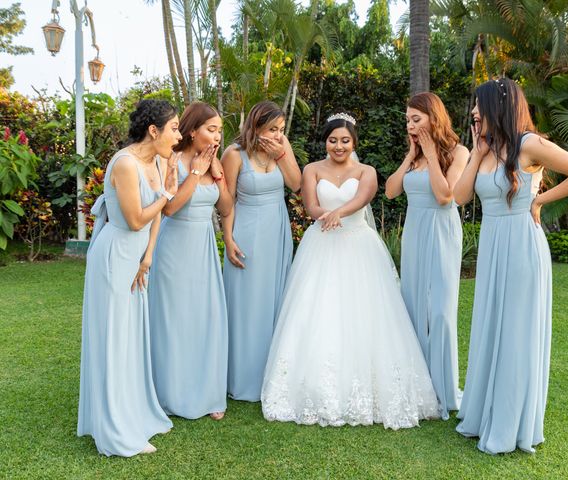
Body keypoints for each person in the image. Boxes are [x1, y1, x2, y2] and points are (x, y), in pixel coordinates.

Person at [261, 113, 441, 429]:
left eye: (345, 140)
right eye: (333, 140)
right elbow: (310, 204)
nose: (339, 146)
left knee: (366, 313)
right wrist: (325, 215)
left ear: (354, 142)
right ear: (326, 142)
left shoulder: (367, 171)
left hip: (360, 247)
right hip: (321, 246)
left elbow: (363, 198)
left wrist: (337, 213)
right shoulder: (312, 169)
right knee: (319, 311)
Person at [453, 78, 568, 454]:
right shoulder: (487, 148)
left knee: (515, 331)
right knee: (490, 325)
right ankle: (484, 412)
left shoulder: (528, 144)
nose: (474, 112)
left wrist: (538, 201)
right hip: (493, 245)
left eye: (479, 106)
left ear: (497, 107)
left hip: (521, 246)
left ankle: (509, 426)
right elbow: (460, 197)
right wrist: (476, 152)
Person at [77, 99, 181, 456]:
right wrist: (166, 192)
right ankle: (115, 427)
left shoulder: (158, 160)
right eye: (174, 129)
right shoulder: (124, 164)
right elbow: (136, 217)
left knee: (132, 338)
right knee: (113, 338)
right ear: (154, 131)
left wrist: (148, 257)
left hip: (136, 258)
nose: (178, 136)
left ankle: (135, 413)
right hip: (113, 256)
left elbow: (156, 219)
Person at [385, 92, 468, 419]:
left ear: (434, 118)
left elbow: (446, 196)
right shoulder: (414, 156)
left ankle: (445, 391)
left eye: (416, 119)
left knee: (442, 312)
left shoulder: (458, 152)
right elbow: (391, 191)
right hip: (415, 233)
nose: (410, 125)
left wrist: (432, 153)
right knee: (414, 306)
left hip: (442, 232)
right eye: (407, 120)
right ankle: (418, 387)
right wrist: (411, 155)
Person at [148, 102, 232, 421]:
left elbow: (224, 207)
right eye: (211, 129)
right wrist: (196, 173)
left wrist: (216, 174)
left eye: (220, 131)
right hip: (174, 247)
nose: (217, 136)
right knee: (175, 320)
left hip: (204, 247)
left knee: (205, 317)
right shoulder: (172, 159)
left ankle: (208, 393)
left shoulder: (214, 160)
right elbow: (169, 209)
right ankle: (171, 393)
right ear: (193, 130)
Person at [221, 101, 302, 401]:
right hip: (247, 231)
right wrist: (228, 239)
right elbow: (226, 202)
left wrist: (281, 152)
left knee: (274, 299)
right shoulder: (234, 154)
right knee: (246, 302)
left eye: (281, 130)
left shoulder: (281, 148)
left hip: (277, 230)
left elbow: (296, 185)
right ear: (255, 127)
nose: (277, 134)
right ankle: (241, 378)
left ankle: (272, 375)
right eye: (272, 129)